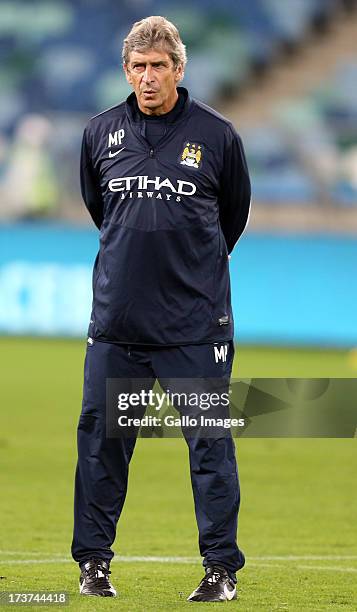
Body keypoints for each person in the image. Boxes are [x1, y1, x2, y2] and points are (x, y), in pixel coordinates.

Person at [72, 15, 251, 603]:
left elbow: (233, 220)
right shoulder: (100, 133)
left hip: (194, 329)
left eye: (159, 67)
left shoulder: (218, 136)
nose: (148, 78)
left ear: (180, 69)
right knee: (102, 443)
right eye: (138, 67)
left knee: (209, 446)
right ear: (126, 71)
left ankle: (219, 570)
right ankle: (94, 564)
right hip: (117, 326)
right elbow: (103, 212)